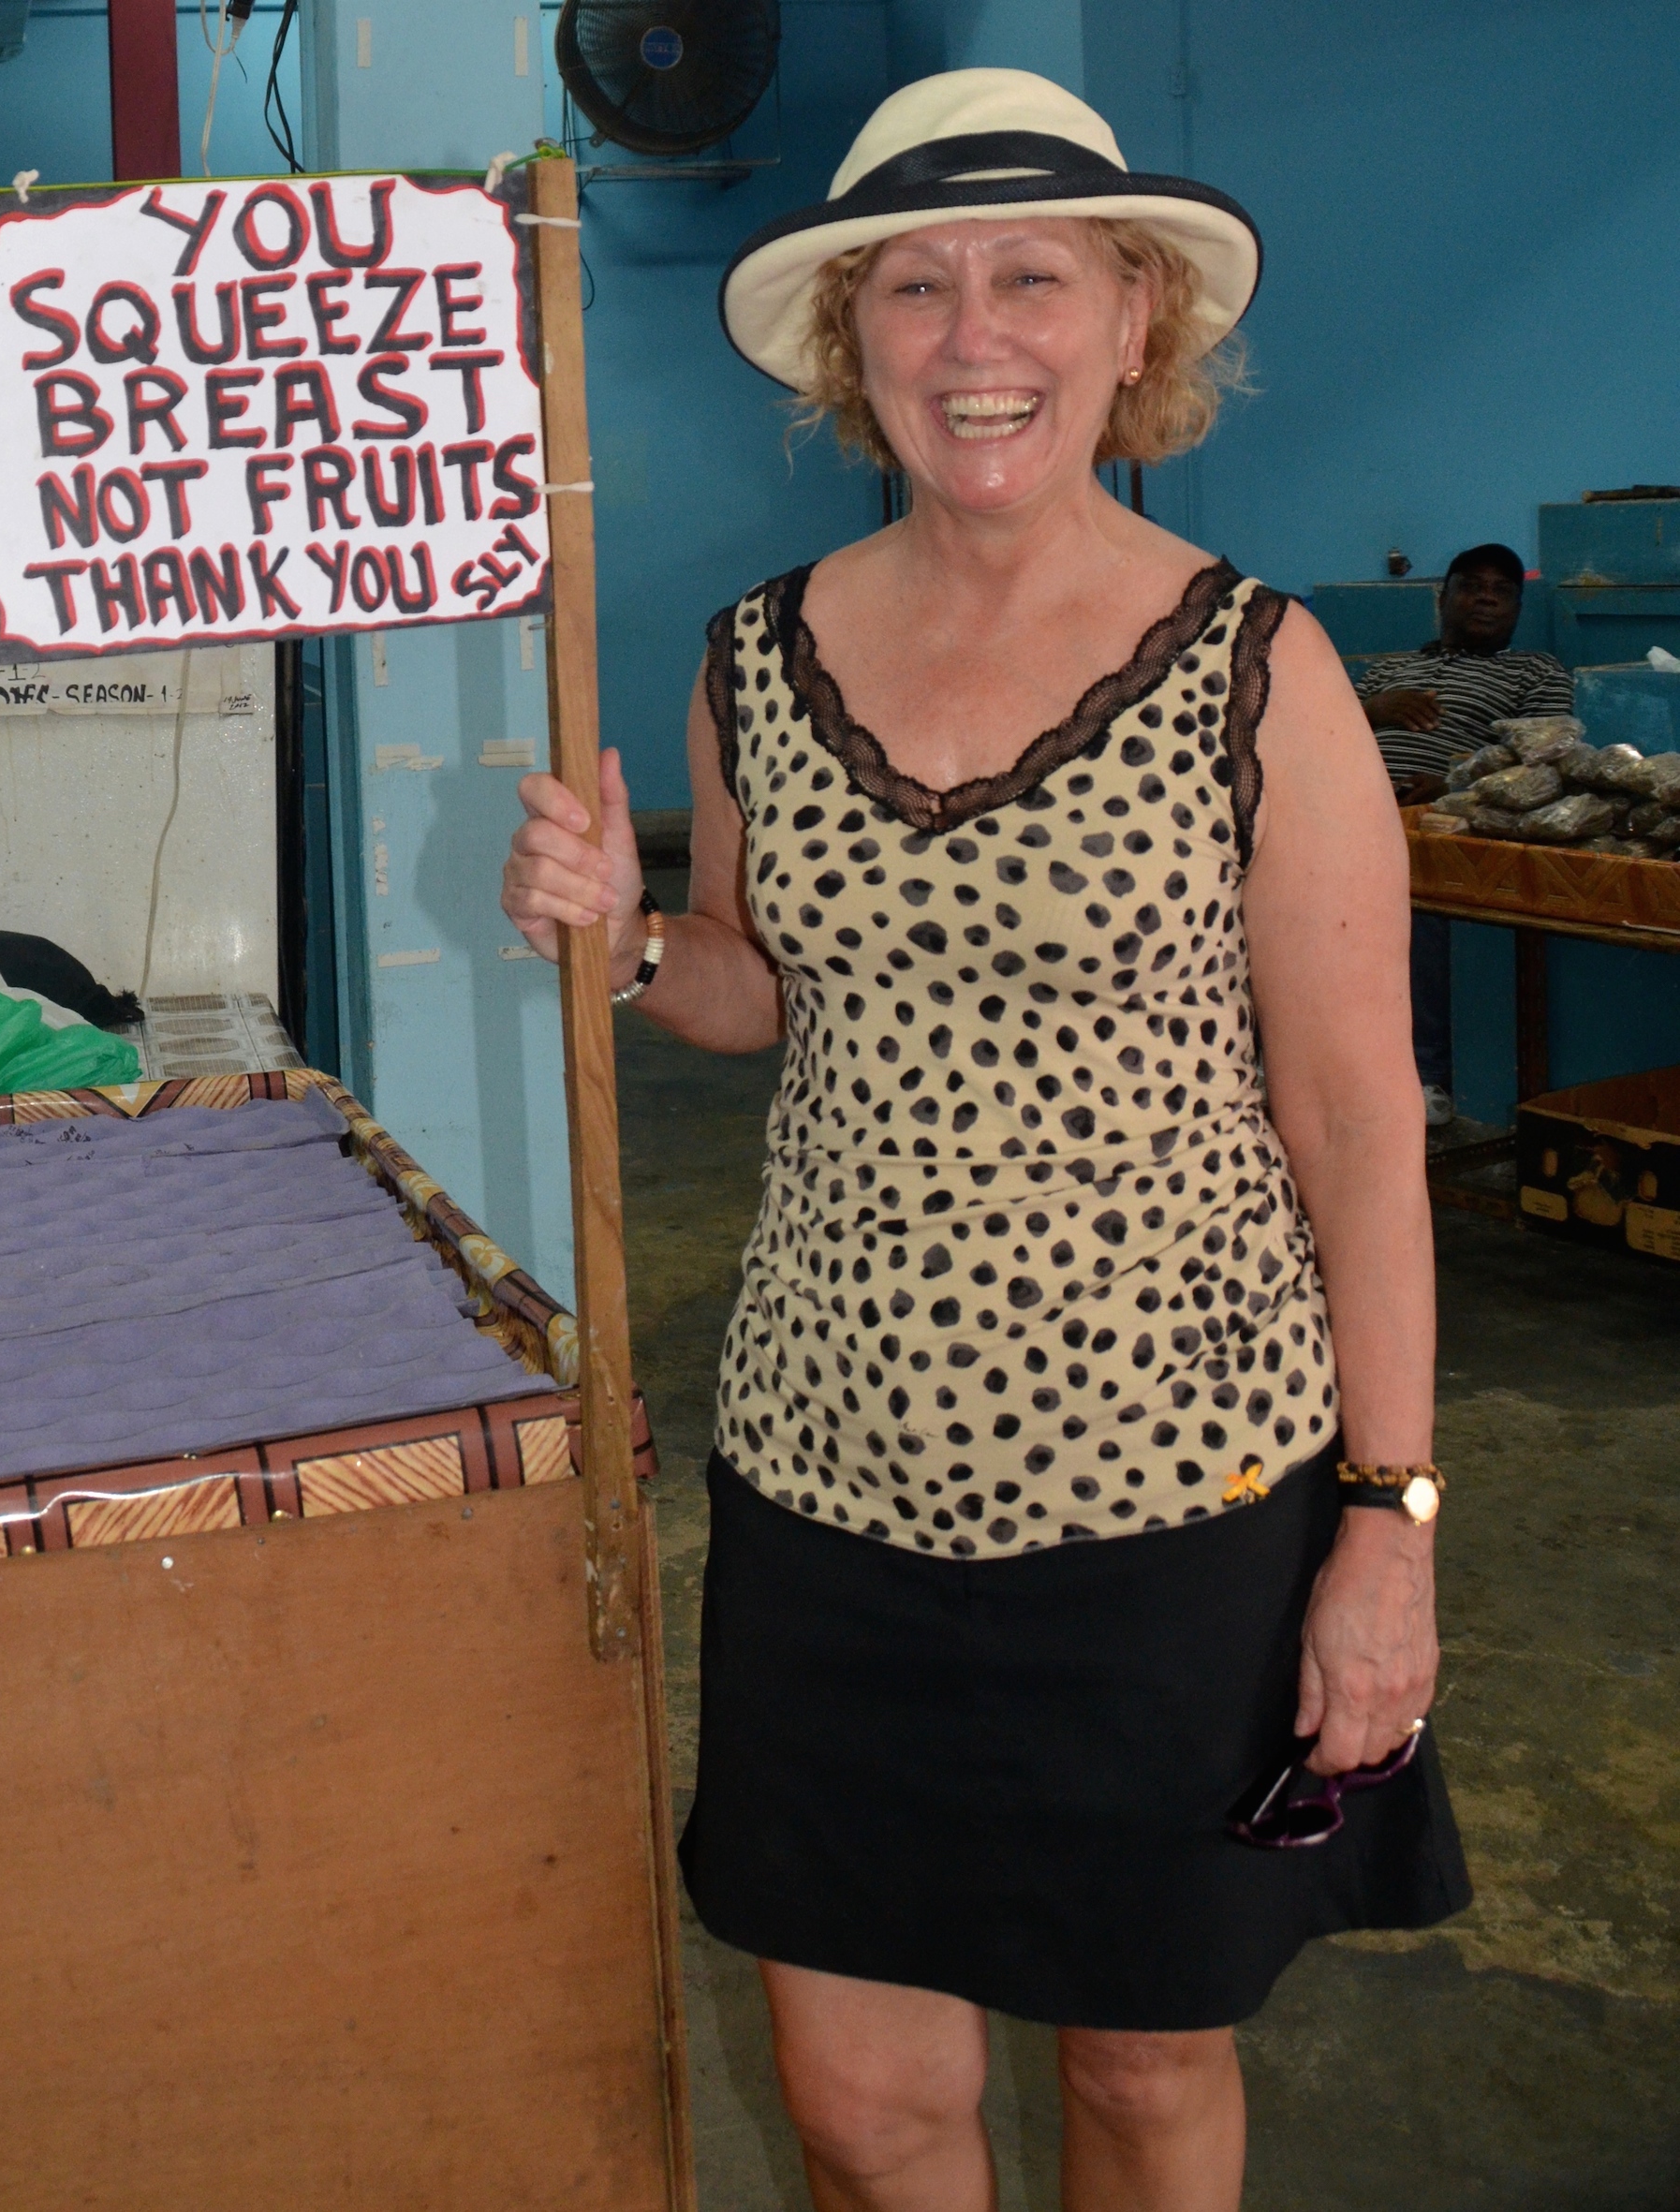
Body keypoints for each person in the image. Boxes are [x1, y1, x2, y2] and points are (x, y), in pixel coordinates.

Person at [503, 68, 1468, 2212]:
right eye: (913, 287)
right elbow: (758, 986)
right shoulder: (754, 657)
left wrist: (1383, 1518)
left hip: (1172, 1498)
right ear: (852, 345)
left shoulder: (1256, 671)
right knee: (859, 2108)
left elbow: (1348, 1125)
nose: (972, 336)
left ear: (1132, 323)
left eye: (1029, 276)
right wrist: (627, 931)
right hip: (829, 1473)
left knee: (1132, 2075)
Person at [1356, 545, 1573, 1126]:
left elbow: (1547, 761)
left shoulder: (1534, 671)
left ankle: (1427, 1076)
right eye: (1472, 585)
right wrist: (1373, 710)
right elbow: (1316, 730)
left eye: (1501, 591)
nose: (1485, 597)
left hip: (1449, 825)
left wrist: (1452, 783)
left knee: (1423, 907)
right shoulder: (1387, 671)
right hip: (1354, 815)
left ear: (1517, 610)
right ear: (1443, 597)